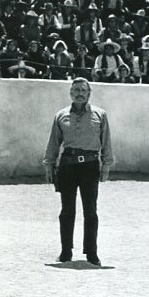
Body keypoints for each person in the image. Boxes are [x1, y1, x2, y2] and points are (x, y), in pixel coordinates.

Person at [43, 77, 114, 266]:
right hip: (67, 166)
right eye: (76, 90)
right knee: (67, 210)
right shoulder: (61, 115)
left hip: (90, 166)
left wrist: (106, 165)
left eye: (83, 90)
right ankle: (65, 251)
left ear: (89, 93)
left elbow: (106, 141)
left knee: (90, 211)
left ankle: (92, 253)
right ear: (70, 93)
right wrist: (49, 164)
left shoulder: (100, 115)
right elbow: (53, 142)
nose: (80, 94)